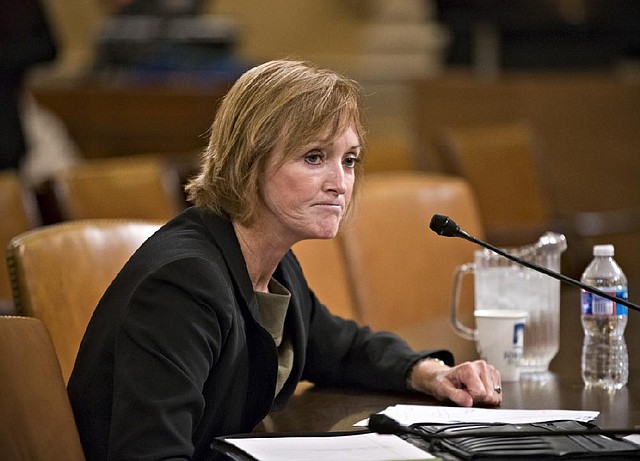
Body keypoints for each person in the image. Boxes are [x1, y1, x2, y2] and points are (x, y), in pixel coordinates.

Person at [68, 59, 502, 460]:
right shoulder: (184, 283)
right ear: (249, 161)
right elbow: (150, 454)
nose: (340, 183)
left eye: (348, 160)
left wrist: (430, 374)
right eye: (314, 157)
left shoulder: (272, 261)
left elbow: (341, 349)